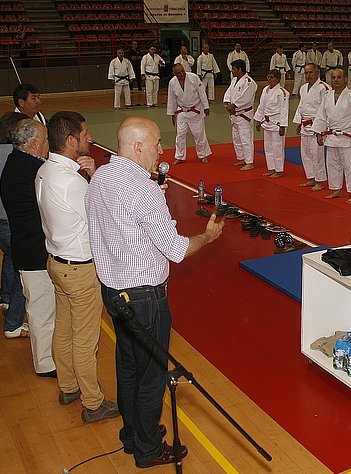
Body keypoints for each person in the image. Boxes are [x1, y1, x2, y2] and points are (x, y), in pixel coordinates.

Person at [85, 116, 224, 468]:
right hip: (145, 297)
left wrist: (150, 207)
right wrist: (207, 236)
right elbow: (175, 249)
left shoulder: (101, 176)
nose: (161, 150)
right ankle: (148, 450)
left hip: (114, 292)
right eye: (156, 143)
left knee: (128, 366)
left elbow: (118, 221)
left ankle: (133, 434)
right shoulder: (143, 190)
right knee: (152, 376)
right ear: (137, 147)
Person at [35, 111, 121, 422]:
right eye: (84, 135)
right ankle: (93, 403)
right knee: (86, 340)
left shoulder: (45, 171)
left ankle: (68, 385)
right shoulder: (72, 182)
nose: (89, 139)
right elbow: (104, 217)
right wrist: (95, 176)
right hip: (80, 270)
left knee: (64, 329)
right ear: (71, 141)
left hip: (57, 262)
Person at [0, 118, 56, 377]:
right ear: (33, 144)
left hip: (27, 248)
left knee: (43, 308)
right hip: (34, 253)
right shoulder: (32, 170)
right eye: (45, 141)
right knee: (42, 310)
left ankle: (49, 357)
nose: (48, 146)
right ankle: (45, 364)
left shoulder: (17, 162)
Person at [312, 66, 351, 204]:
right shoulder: (327, 96)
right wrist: (318, 133)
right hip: (331, 136)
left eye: (339, 77)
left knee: (350, 165)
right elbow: (321, 116)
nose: (336, 80)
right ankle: (336, 189)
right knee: (333, 164)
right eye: (333, 77)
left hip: (347, 135)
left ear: (345, 79)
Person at [0, 112, 28, 339]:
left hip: (2, 222)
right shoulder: (14, 156)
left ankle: (6, 299)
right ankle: (13, 324)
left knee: (9, 258)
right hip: (10, 219)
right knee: (22, 271)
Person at [293, 63, 330, 191]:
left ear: (317, 73)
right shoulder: (303, 88)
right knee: (306, 153)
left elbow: (325, 110)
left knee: (317, 154)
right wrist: (299, 122)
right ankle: (312, 178)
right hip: (305, 125)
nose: (308, 75)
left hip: (316, 125)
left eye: (310, 72)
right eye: (306, 73)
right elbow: (301, 106)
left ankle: (320, 181)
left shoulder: (324, 88)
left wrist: (320, 130)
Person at [167, 64, 212, 165]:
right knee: (180, 135)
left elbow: (202, 93)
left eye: (183, 71)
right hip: (182, 111)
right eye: (178, 73)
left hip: (195, 110)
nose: (182, 74)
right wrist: (172, 114)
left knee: (199, 134)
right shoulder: (172, 82)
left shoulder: (193, 77)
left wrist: (206, 107)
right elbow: (171, 99)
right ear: (174, 74)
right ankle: (179, 156)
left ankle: (203, 155)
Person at [253, 70, 289, 179]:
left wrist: (283, 126)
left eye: (272, 77)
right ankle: (272, 168)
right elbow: (261, 106)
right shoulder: (265, 90)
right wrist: (258, 120)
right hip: (266, 121)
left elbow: (284, 110)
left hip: (277, 123)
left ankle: (279, 170)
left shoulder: (283, 92)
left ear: (277, 79)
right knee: (268, 147)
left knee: (277, 147)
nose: (269, 79)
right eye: (268, 76)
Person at [224, 59, 258, 171]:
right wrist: (228, 104)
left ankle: (250, 162)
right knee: (236, 138)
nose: (232, 71)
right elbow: (228, 93)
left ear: (240, 69)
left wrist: (234, 106)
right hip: (234, 114)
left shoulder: (249, 82)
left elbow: (246, 99)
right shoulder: (234, 80)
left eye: (234, 69)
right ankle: (242, 158)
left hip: (244, 114)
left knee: (245, 138)